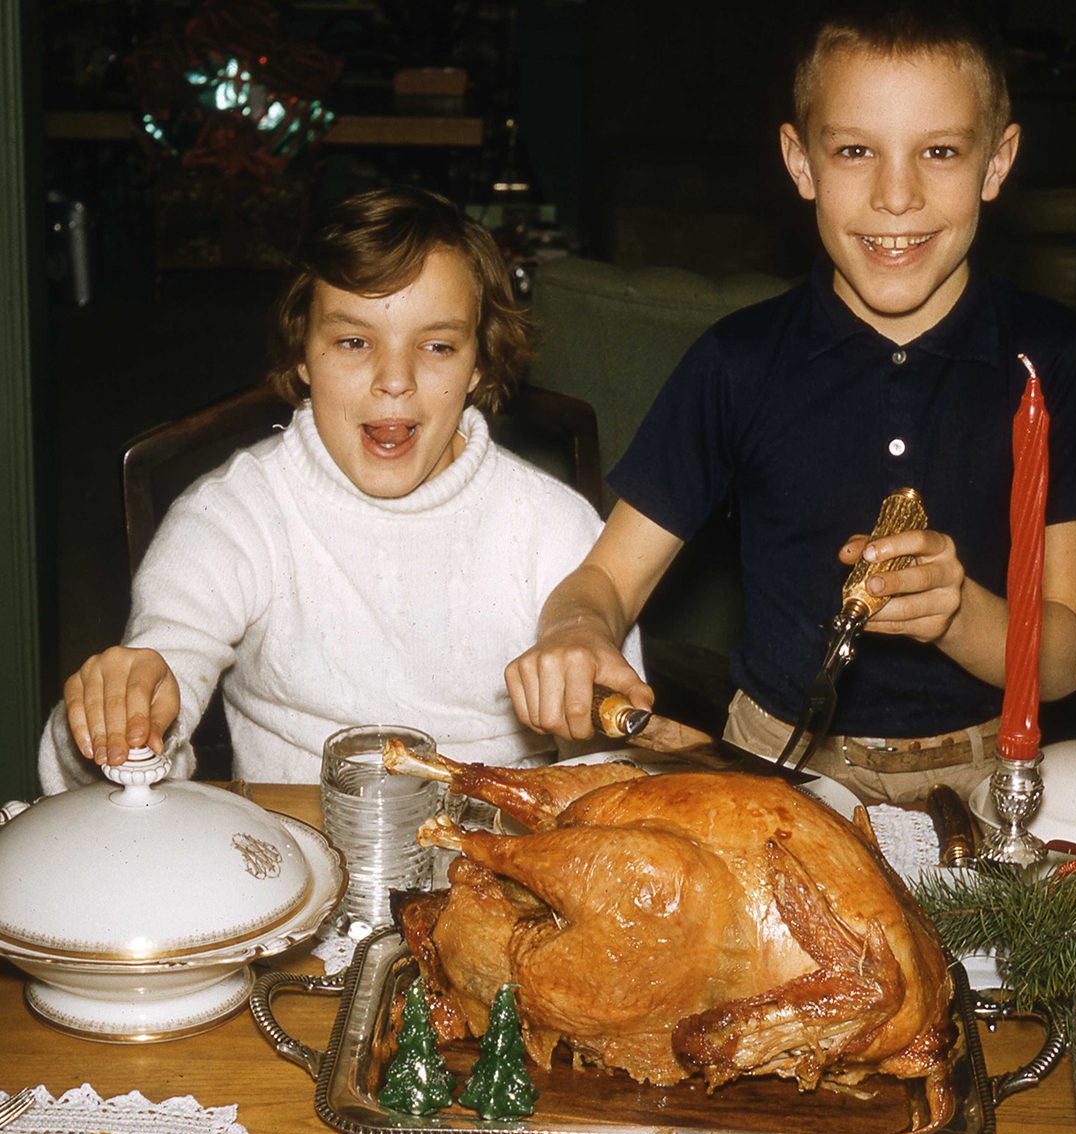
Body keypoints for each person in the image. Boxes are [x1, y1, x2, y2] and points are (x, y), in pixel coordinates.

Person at [504, 0, 1076, 804]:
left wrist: (960, 613)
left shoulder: (1062, 362)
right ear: (801, 163)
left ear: (997, 162)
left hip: (992, 778)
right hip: (771, 765)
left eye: (939, 151)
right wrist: (574, 633)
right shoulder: (737, 363)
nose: (895, 195)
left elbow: (1066, 658)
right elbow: (604, 584)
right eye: (854, 151)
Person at [40, 186, 637, 792]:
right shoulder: (236, 513)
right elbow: (152, 709)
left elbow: (616, 777)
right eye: (354, 342)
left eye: (437, 346)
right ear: (303, 353)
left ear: (479, 362)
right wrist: (115, 722)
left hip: (499, 863)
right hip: (293, 857)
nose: (394, 381)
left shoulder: (554, 525)